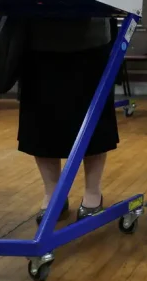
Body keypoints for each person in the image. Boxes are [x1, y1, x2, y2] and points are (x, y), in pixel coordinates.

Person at [17, 17, 118, 223]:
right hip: (37, 36)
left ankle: (92, 192)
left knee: (94, 123)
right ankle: (53, 194)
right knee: (41, 123)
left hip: (91, 35)